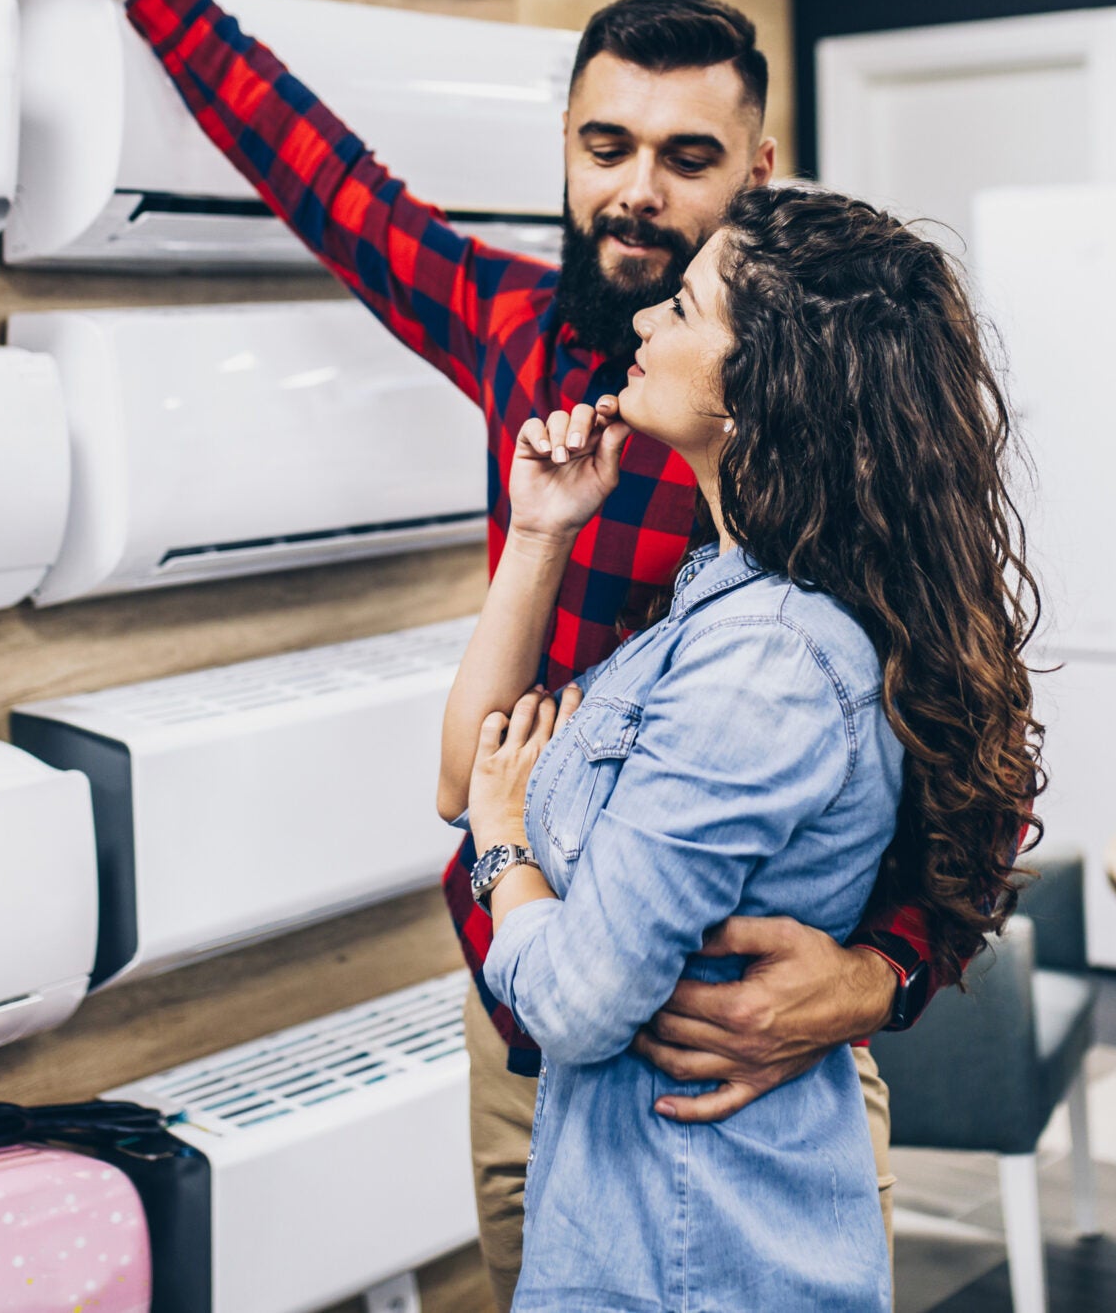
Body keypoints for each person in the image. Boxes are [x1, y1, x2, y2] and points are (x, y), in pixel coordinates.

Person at [0, 0, 989, 1306]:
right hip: (522, 1005)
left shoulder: (826, 461)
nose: (636, 192)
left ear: (759, 179)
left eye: (688, 157)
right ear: (569, 142)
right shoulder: (520, 334)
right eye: (606, 145)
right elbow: (319, 173)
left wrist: (873, 975)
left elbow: (967, 755)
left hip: (741, 1037)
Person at [441, 184, 1045, 1310]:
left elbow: (567, 985)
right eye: (606, 148)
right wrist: (536, 534)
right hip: (633, 1184)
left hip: (689, 1219)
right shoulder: (732, 594)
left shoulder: (764, 656)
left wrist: (503, 848)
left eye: (682, 308)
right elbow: (468, 773)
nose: (644, 326)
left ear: (753, 387)